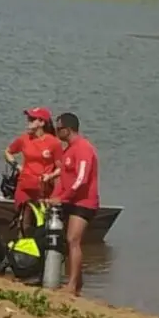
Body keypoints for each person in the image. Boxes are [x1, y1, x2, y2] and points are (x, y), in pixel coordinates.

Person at [50, 112, 99, 296]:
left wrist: (63, 198)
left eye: (58, 128)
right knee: (68, 241)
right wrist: (55, 197)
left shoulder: (83, 148)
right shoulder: (67, 150)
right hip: (70, 201)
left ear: (68, 129)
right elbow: (63, 178)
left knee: (73, 240)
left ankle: (72, 285)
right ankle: (76, 282)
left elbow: (82, 179)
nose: (56, 132)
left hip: (84, 202)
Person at [4, 107, 63, 207]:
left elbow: (60, 168)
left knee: (41, 218)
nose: (28, 121)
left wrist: (50, 176)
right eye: (28, 118)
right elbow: (8, 152)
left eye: (32, 119)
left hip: (43, 186)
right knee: (21, 215)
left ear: (42, 123)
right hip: (24, 184)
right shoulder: (24, 139)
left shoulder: (54, 142)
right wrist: (17, 166)